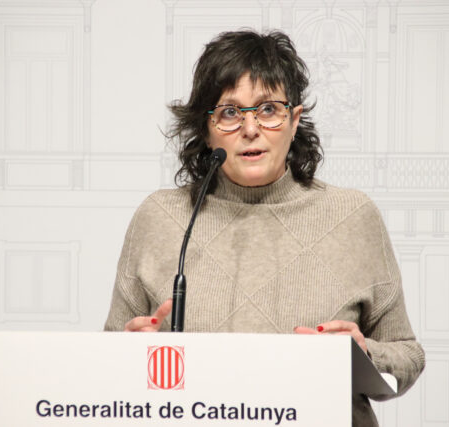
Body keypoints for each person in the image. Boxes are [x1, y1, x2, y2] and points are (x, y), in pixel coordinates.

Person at [104, 29, 424, 425]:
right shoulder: (160, 217)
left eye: (268, 109)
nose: (250, 128)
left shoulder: (353, 215)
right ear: (205, 129)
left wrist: (365, 354)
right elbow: (107, 361)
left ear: (294, 120)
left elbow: (407, 356)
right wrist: (127, 355)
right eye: (229, 112)